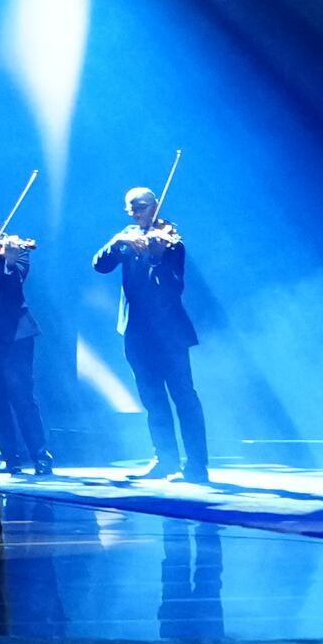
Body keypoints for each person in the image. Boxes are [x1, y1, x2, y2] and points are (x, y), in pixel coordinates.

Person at [91, 188, 211, 483]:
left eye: (142, 208)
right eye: (131, 209)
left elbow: (174, 288)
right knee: (152, 399)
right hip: (136, 332)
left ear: (154, 205)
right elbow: (99, 265)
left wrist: (157, 259)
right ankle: (165, 458)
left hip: (170, 333)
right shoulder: (127, 237)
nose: (137, 214)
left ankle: (197, 465)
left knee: (184, 396)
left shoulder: (171, 243)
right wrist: (117, 240)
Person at [0, 207, 55, 477]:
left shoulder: (15, 249)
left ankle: (40, 456)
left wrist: (6, 262)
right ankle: (9, 457)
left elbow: (15, 284)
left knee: (21, 395)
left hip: (15, 334)